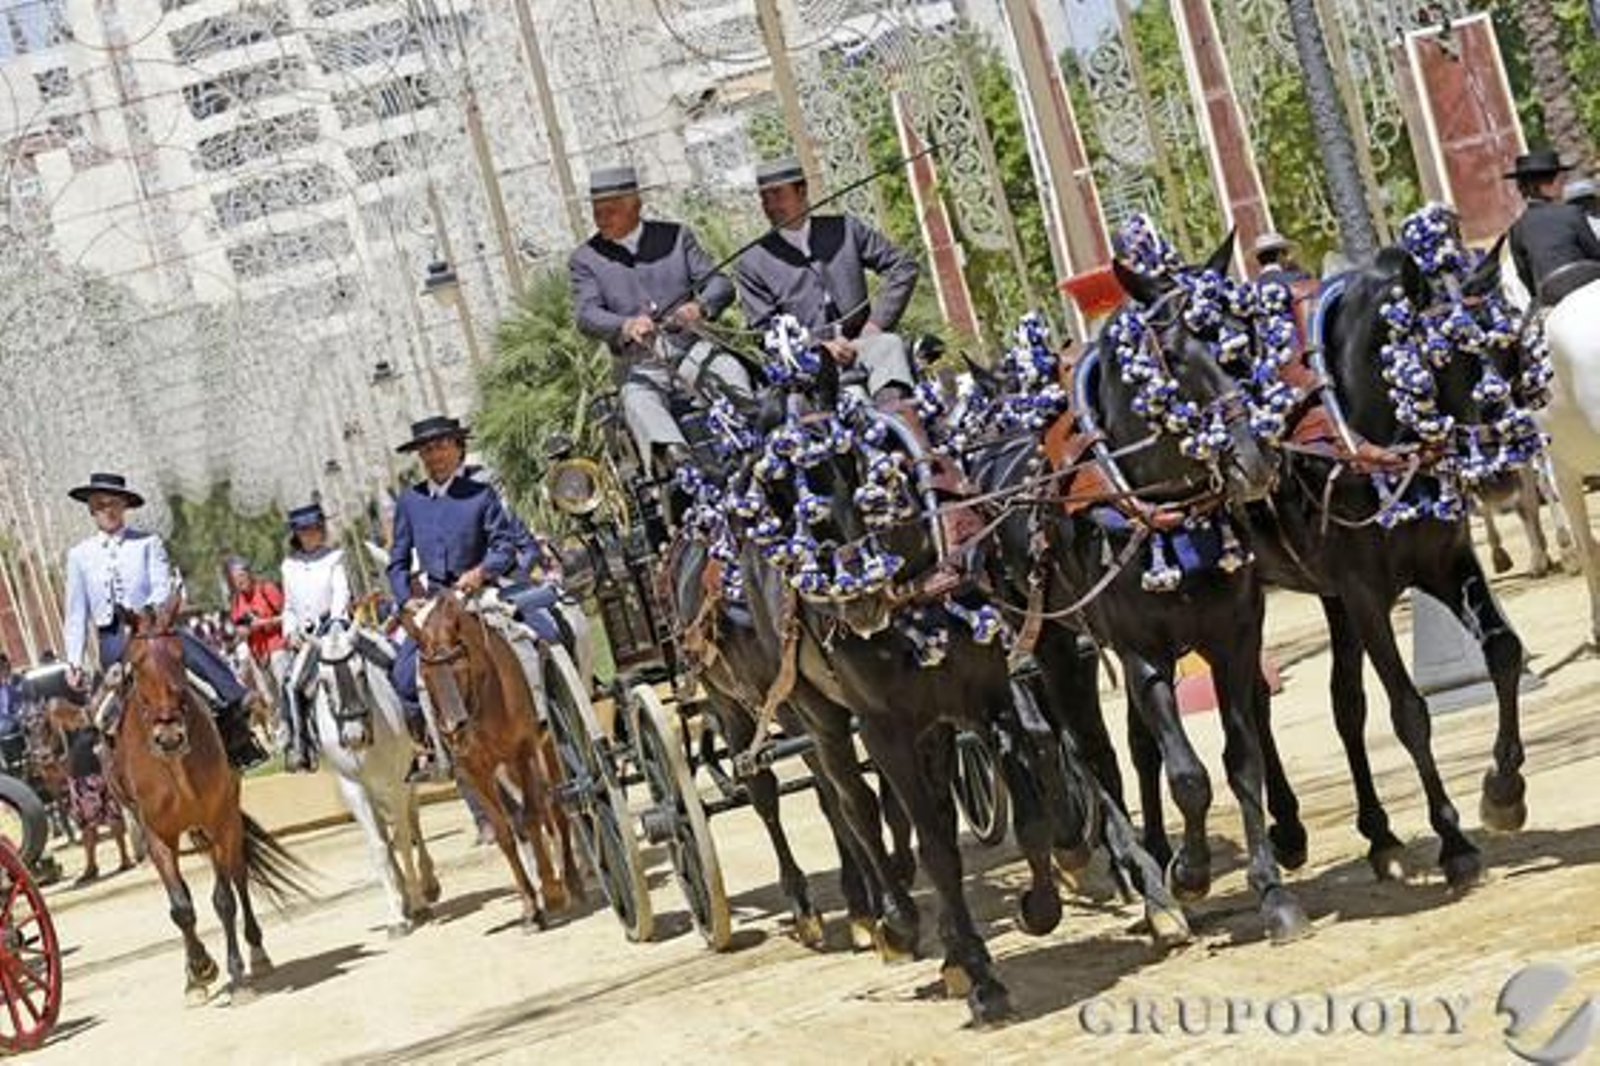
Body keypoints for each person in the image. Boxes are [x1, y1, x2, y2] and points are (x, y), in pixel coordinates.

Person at [59, 472, 267, 769]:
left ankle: (233, 700)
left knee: (185, 647)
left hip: (153, 625)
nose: (109, 510)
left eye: (114, 503)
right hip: (113, 637)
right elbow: (76, 612)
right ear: (91, 509)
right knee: (101, 709)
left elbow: (160, 586)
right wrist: (73, 662)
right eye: (101, 504)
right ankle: (109, 766)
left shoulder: (147, 543)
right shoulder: (79, 556)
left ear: (124, 507)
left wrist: (152, 617)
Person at [567, 165, 752, 471]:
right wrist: (625, 325)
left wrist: (700, 307)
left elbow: (720, 283)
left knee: (728, 369)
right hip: (639, 364)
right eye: (596, 211)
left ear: (635, 205)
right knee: (638, 402)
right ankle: (680, 467)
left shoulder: (677, 237)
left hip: (692, 349)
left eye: (610, 210)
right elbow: (586, 314)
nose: (601, 219)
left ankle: (753, 441)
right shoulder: (585, 259)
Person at [386, 416, 520, 780]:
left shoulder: (479, 494)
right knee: (401, 676)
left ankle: (539, 710)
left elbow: (505, 544)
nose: (435, 455)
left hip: (481, 590)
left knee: (534, 634)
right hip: (435, 602)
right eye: (428, 450)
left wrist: (482, 571)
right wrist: (404, 600)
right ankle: (436, 746)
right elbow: (396, 562)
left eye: (442, 446)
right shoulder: (410, 502)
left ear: (458, 449)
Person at [734, 155, 921, 404]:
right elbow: (764, 330)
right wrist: (818, 346)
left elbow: (903, 266)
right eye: (764, 197)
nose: (770, 205)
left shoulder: (845, 229)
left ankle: (906, 433)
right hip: (810, 366)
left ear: (802, 191)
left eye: (778, 194)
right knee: (847, 400)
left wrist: (874, 326)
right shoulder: (752, 261)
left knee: (888, 346)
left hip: (862, 343)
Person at [277, 502, 353, 772]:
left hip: (334, 629)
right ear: (296, 534)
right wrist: (290, 632)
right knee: (291, 684)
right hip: (306, 638)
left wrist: (335, 622)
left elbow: (341, 592)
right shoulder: (289, 566)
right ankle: (300, 744)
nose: (311, 534)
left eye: (315, 528)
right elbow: (288, 606)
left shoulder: (335, 557)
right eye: (305, 530)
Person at [49, 698, 133, 886]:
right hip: (80, 779)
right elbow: (60, 756)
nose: (58, 720)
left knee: (113, 817)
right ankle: (92, 864)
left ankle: (124, 857)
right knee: (87, 825)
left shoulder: (90, 714)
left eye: (58, 715)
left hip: (100, 773)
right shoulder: (63, 731)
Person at [1506, 148, 1600, 308]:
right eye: (1557, 179)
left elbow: (1526, 277)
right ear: (1542, 185)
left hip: (1551, 301)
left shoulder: (1516, 229)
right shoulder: (1572, 213)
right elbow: (1596, 253)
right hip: (1586, 288)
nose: (1561, 184)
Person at [226, 555, 287, 711]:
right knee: (270, 700)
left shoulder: (267, 589)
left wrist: (263, 623)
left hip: (278, 648)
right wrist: (241, 633)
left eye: (241, 575)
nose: (239, 581)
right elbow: (237, 628)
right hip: (257, 657)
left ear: (249, 574)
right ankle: (282, 732)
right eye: (235, 579)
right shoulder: (236, 601)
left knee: (286, 692)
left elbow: (288, 617)